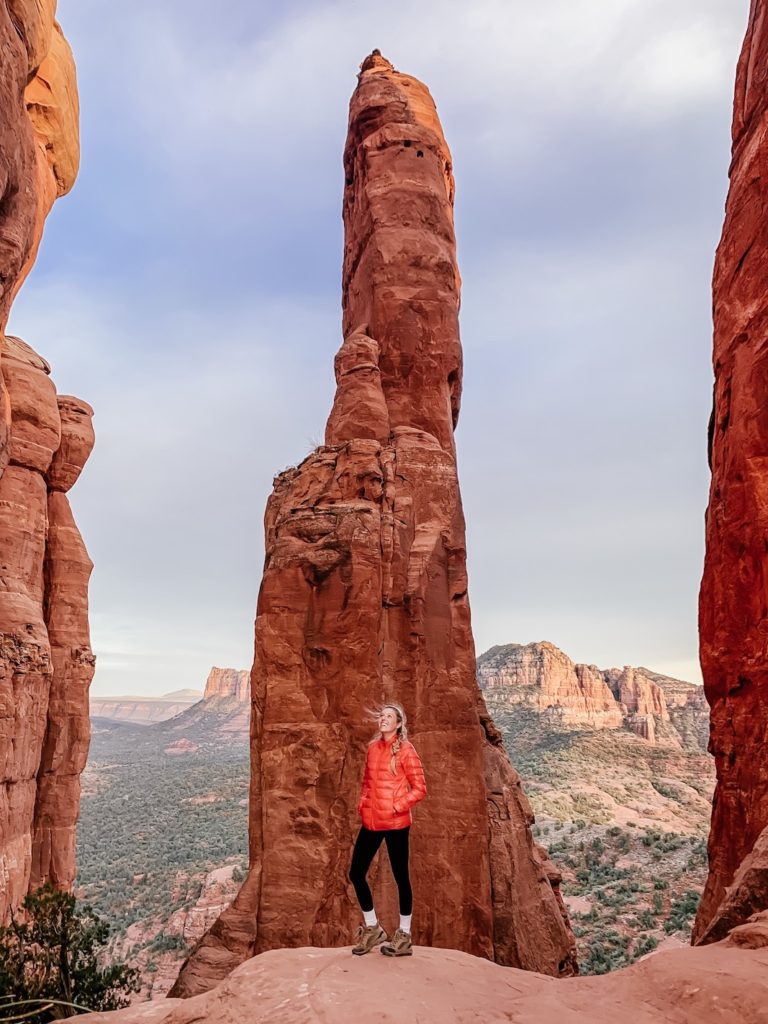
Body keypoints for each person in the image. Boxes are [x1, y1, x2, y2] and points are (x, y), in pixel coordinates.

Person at [348, 703, 427, 957]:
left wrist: (397, 805)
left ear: (399, 723)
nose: (383, 719)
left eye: (389, 717)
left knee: (401, 878)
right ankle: (373, 928)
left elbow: (420, 788)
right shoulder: (372, 748)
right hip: (372, 820)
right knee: (356, 872)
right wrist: (363, 804)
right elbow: (367, 783)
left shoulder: (406, 750)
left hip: (395, 823)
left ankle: (404, 935)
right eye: (382, 716)